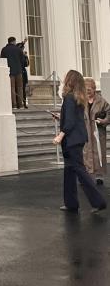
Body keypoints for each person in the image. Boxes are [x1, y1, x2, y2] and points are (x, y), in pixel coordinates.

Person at [52, 70, 107, 213]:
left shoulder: (69, 98)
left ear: (70, 80)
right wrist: (60, 117)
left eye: (66, 78)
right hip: (78, 138)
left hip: (72, 140)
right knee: (69, 171)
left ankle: (98, 201)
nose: (64, 80)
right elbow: (74, 119)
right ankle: (71, 203)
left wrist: (60, 135)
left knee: (79, 171)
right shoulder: (78, 98)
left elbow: (70, 122)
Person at [84, 78, 110, 185]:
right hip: (85, 131)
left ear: (94, 89)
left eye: (89, 89)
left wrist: (104, 121)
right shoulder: (81, 101)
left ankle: (99, 175)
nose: (87, 92)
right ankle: (86, 175)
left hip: (98, 132)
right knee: (86, 153)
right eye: (85, 90)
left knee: (99, 152)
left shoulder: (101, 101)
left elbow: (109, 113)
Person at [0, 37, 25, 109]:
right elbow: (23, 61)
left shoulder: (4, 49)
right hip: (18, 71)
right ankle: (20, 104)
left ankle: (14, 105)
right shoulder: (19, 49)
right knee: (20, 88)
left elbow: (2, 60)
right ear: (14, 41)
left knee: (12, 88)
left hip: (9, 71)